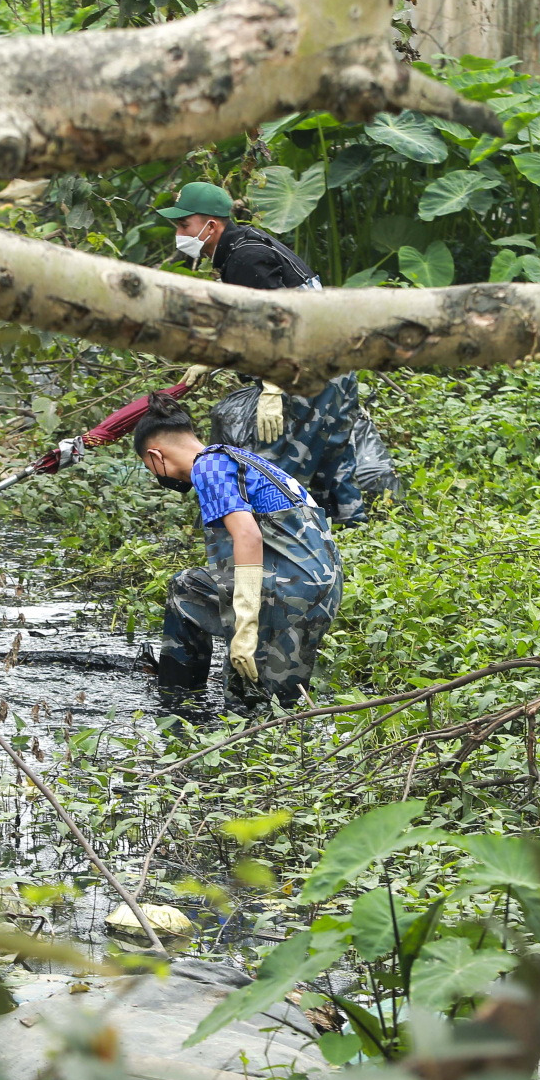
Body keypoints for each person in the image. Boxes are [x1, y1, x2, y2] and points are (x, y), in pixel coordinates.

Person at [157, 181, 365, 527]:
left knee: (275, 467)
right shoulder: (246, 245)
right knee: (334, 459)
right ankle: (351, 533)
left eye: (184, 225)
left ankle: (278, 543)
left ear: (211, 225)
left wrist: (271, 388)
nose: (179, 234)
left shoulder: (244, 256)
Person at [134, 391, 342, 711]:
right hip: (319, 591)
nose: (156, 474)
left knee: (245, 706)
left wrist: (245, 626)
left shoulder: (208, 467)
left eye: (150, 467)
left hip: (285, 591)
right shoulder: (240, 459)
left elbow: (248, 535)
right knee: (280, 706)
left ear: (155, 456)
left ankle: (178, 705)